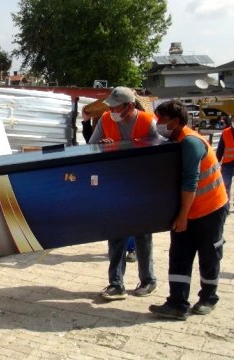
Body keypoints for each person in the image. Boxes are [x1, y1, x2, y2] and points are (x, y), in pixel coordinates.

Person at [149, 100, 228, 321]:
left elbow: (189, 182)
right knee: (179, 256)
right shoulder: (174, 140)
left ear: (175, 121)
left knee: (208, 255)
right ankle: (177, 304)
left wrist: (183, 216)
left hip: (210, 209)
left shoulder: (191, 143)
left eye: (162, 120)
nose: (158, 123)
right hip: (189, 210)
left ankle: (208, 298)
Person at [89, 86, 158, 300]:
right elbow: (91, 148)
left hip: (141, 186)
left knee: (142, 235)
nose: (111, 111)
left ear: (129, 106)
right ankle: (116, 284)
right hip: (115, 185)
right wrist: (102, 147)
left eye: (115, 107)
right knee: (116, 235)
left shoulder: (148, 121)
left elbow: (161, 151)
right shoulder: (106, 120)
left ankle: (148, 280)